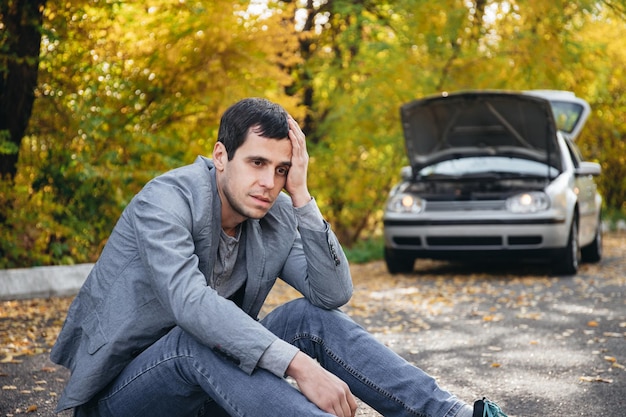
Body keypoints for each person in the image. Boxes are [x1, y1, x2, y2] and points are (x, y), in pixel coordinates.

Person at [51, 97, 508, 417]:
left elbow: (333, 294)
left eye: (282, 169)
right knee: (196, 337)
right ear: (221, 155)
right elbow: (190, 305)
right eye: (257, 163)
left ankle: (451, 415)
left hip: (213, 388)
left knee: (309, 318)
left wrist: (304, 198)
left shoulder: (275, 213)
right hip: (125, 398)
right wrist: (299, 366)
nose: (270, 182)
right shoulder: (165, 202)